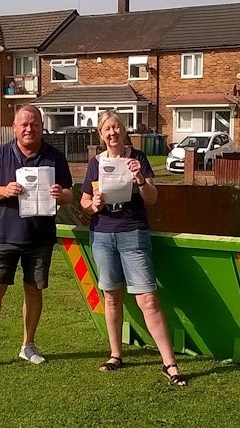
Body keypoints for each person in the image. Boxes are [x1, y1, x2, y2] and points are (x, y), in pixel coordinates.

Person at [80, 110, 187, 387]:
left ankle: (170, 363)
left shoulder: (138, 158)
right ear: (101, 135)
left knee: (148, 299)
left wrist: (140, 179)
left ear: (123, 130)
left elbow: (152, 198)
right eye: (107, 129)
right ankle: (116, 355)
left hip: (132, 233)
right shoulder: (96, 163)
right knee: (112, 297)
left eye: (116, 127)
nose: (112, 133)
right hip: (103, 234)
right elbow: (84, 201)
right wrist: (94, 206)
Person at [0, 105, 73, 370]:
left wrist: (61, 194)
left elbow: (70, 194)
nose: (28, 129)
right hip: (5, 236)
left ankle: (28, 345)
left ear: (41, 126)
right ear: (14, 127)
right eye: (23, 124)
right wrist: (4, 189)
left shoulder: (55, 157)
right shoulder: (2, 154)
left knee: (34, 292)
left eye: (34, 124)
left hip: (40, 237)